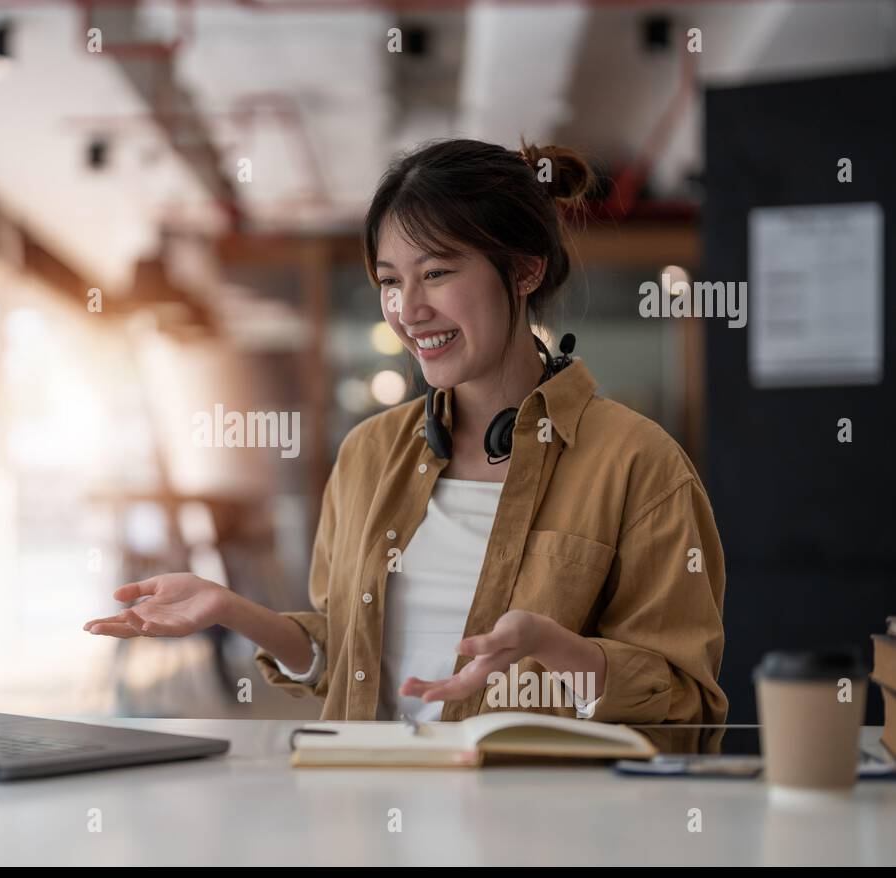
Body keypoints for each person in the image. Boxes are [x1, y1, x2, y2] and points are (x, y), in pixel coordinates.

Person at [84, 137, 728, 725]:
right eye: (391, 282)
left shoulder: (640, 465)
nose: (408, 310)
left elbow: (688, 707)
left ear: (526, 271)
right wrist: (230, 609)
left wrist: (563, 654)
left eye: (438, 273)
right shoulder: (368, 453)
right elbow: (346, 660)